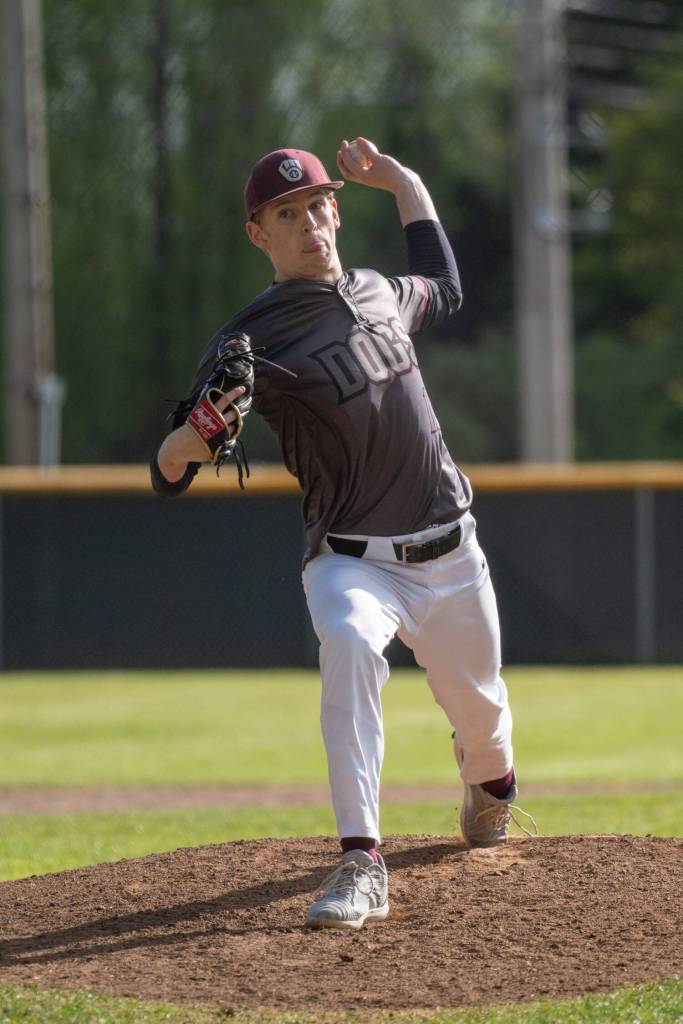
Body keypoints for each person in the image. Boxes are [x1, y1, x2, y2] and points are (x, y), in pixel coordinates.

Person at [151, 137, 524, 931]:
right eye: (286, 214)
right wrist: (202, 429)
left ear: (335, 212)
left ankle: (487, 786)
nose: (309, 222)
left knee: (485, 730)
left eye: (317, 205)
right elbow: (169, 470)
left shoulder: (381, 291)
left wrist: (404, 180)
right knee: (350, 645)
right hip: (351, 561)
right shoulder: (249, 337)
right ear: (260, 234)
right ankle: (362, 859)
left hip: (451, 553)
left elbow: (447, 287)